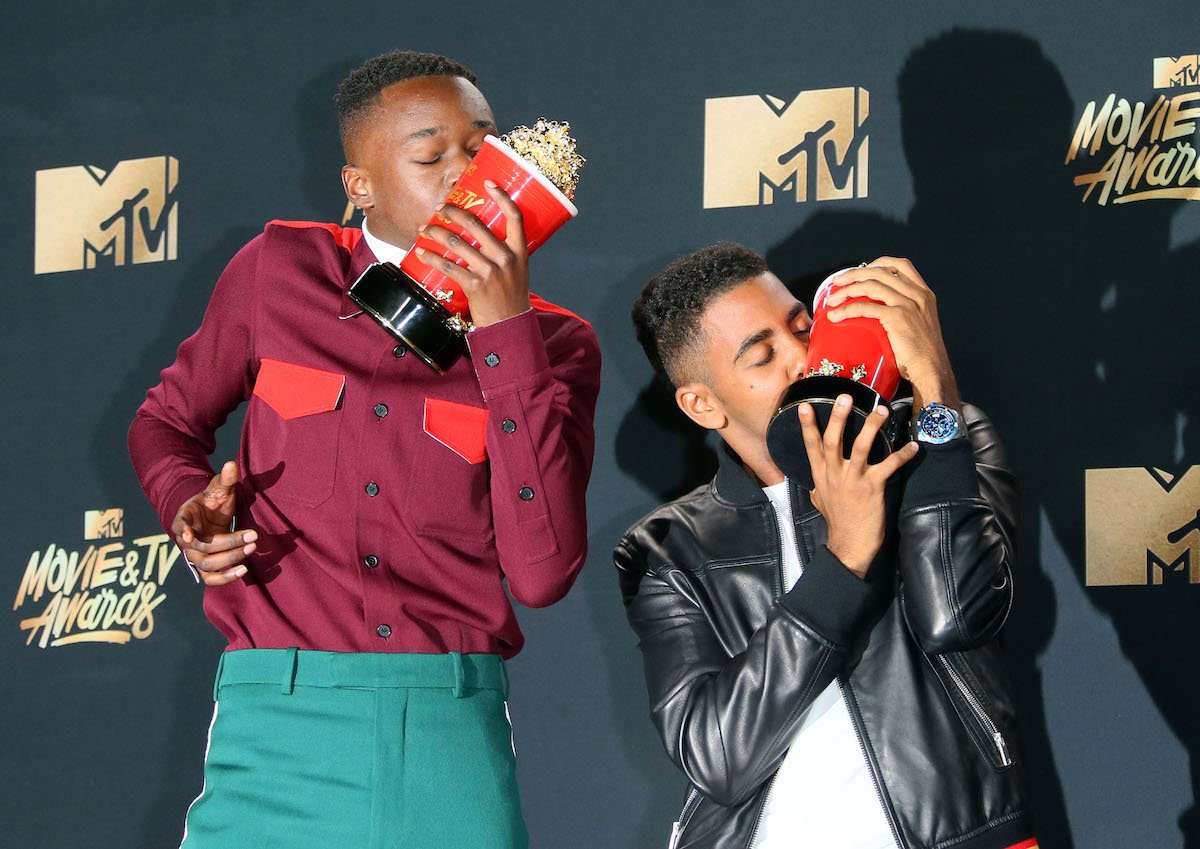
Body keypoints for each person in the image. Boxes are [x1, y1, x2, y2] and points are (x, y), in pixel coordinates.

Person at [129, 50, 600, 849]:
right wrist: (187, 507)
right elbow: (163, 422)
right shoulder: (277, 271)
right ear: (360, 185)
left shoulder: (556, 344)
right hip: (273, 720)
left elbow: (541, 573)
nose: (467, 176)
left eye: (481, 149)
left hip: (449, 729)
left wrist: (506, 332)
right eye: (430, 156)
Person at [615, 243, 1036, 849]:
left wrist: (934, 388)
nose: (800, 358)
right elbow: (720, 758)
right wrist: (845, 557)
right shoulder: (668, 547)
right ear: (702, 404)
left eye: (802, 328)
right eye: (763, 356)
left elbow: (959, 615)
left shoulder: (934, 441)